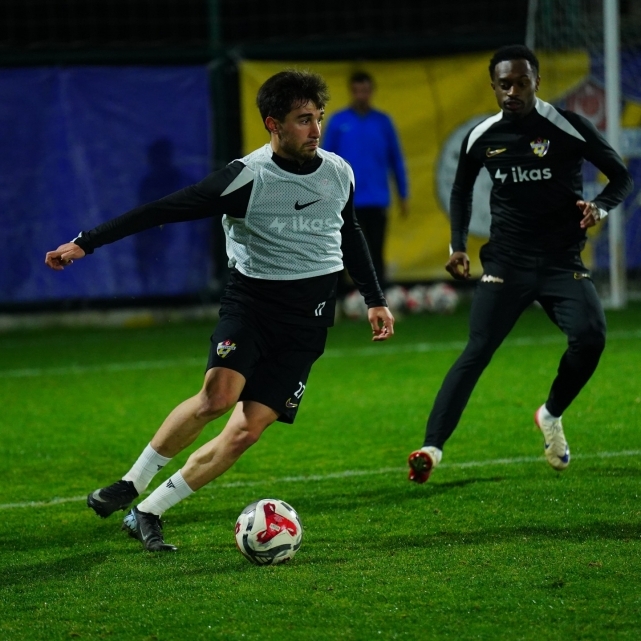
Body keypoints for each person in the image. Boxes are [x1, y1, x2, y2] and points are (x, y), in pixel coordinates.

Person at [45, 69, 395, 551]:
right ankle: (131, 483)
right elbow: (164, 209)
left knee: (247, 431)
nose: (315, 129)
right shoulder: (247, 177)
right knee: (217, 398)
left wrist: (375, 299)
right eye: (302, 120)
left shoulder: (339, 172)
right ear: (273, 124)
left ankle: (148, 512)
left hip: (309, 319)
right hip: (253, 306)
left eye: (318, 117)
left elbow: (349, 231)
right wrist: (86, 242)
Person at [407, 44, 633, 484]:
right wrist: (457, 246)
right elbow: (460, 190)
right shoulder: (482, 135)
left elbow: (620, 177)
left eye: (522, 83)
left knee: (590, 338)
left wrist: (600, 207)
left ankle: (551, 413)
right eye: (504, 84)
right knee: (477, 350)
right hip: (507, 263)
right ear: (493, 87)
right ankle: (431, 448)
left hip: (560, 261)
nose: (513, 91)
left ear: (537, 82)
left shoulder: (568, 126)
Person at [322, 70, 409, 292]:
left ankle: (377, 297)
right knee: (342, 250)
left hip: (377, 198)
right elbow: (324, 162)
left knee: (375, 250)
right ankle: (342, 297)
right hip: (346, 199)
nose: (361, 95)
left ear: (371, 92)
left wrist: (403, 194)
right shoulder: (339, 122)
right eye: (357, 91)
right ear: (351, 91)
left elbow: (396, 160)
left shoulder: (383, 122)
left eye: (365, 90)